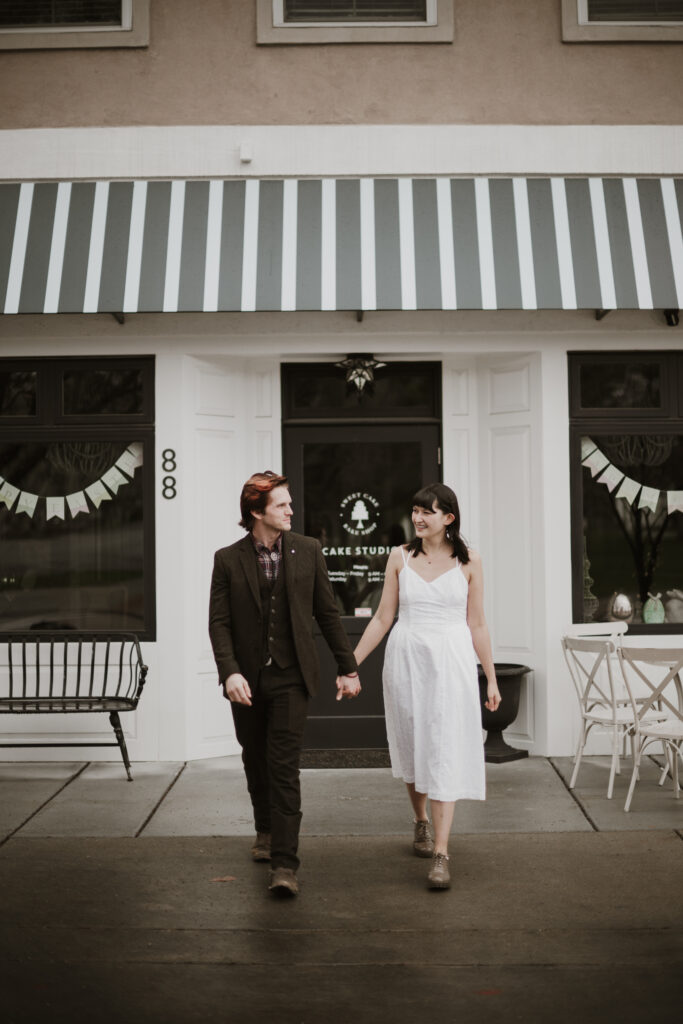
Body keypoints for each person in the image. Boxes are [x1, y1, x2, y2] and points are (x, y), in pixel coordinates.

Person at [208, 471, 360, 898]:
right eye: (282, 505)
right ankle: (265, 830)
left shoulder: (309, 550)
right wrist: (229, 671)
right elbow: (218, 623)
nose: (291, 510)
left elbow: (327, 613)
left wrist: (348, 668)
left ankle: (285, 865)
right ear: (257, 511)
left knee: (283, 768)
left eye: (290, 503)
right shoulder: (227, 558)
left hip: (293, 677)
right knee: (255, 758)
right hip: (247, 681)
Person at [353, 482, 500, 890]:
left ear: (448, 518)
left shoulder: (469, 564)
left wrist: (489, 677)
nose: (418, 518)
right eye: (415, 511)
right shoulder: (399, 557)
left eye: (427, 512)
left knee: (443, 748)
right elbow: (383, 618)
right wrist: (352, 664)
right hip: (406, 660)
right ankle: (420, 821)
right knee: (414, 744)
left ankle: (441, 852)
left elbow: (477, 623)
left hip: (451, 663)